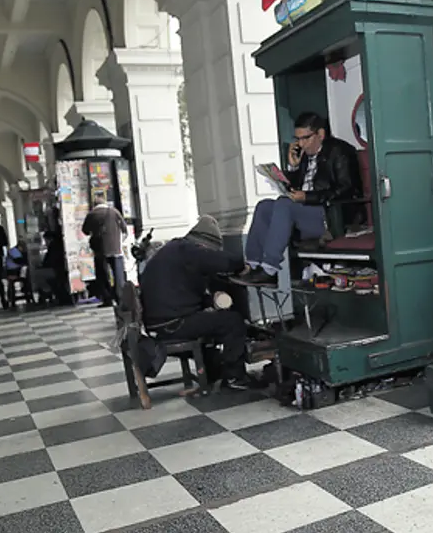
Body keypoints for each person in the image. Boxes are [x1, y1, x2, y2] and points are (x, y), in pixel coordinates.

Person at [236, 112, 362, 286]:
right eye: (298, 139)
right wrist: (293, 167)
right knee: (264, 206)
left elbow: (346, 190)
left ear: (321, 134)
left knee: (284, 204)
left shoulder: (340, 152)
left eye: (306, 138)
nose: (301, 144)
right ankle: (253, 265)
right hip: (306, 212)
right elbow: (296, 187)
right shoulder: (304, 154)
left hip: (331, 216)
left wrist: (307, 197)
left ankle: (269, 269)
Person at [139, 215, 249, 391]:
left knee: (211, 321)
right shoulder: (192, 250)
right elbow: (224, 262)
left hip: (159, 321)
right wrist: (245, 263)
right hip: (173, 324)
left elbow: (183, 290)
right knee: (233, 322)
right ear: (204, 245)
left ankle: (214, 372)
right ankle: (235, 376)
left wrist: (209, 301)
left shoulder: (175, 249)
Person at [81, 196, 127, 307]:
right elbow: (124, 229)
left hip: (99, 249)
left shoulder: (92, 215)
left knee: (102, 275)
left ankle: (107, 299)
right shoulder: (114, 212)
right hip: (116, 249)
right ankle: (120, 298)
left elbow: (85, 231)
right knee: (118, 275)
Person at [4, 240, 30, 305]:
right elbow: (19, 261)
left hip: (14, 270)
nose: (23, 250)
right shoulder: (14, 251)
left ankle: (26, 289)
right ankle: (26, 289)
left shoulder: (14, 251)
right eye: (23, 248)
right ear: (19, 246)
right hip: (12, 271)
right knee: (27, 273)